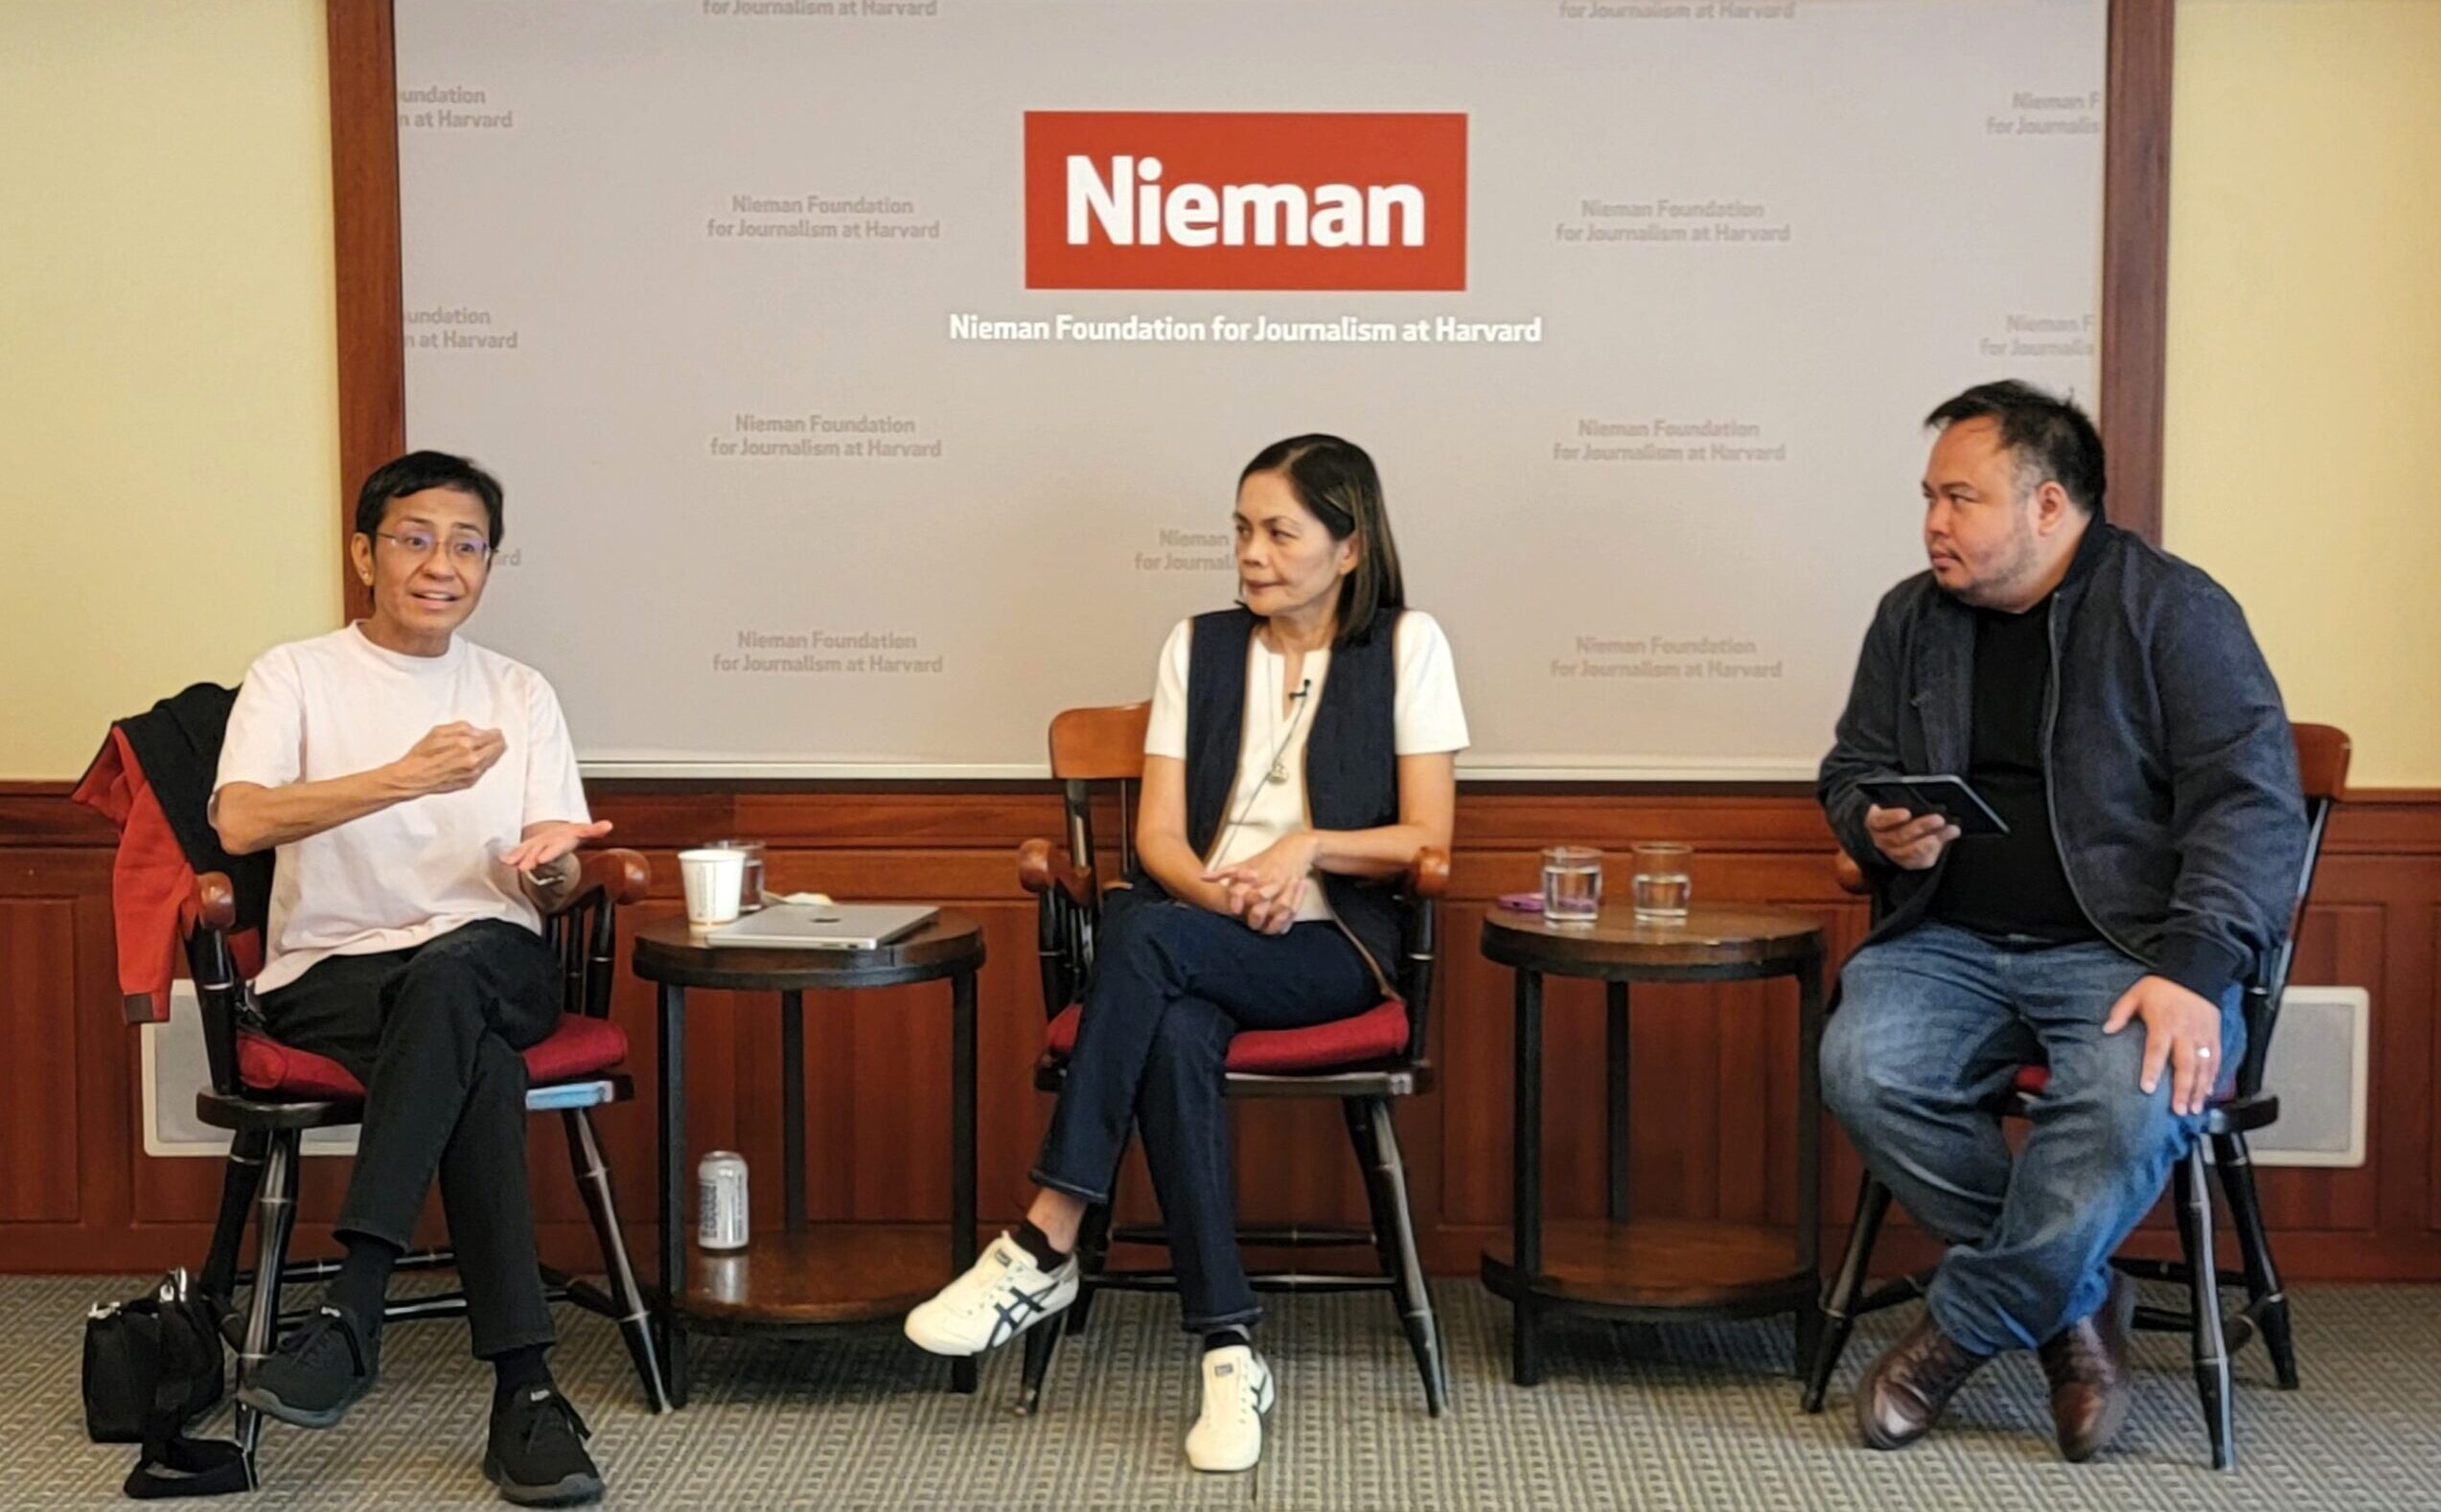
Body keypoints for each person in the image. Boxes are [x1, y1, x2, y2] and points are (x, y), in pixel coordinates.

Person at [903, 435, 1467, 1472]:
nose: (1251, 554)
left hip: (1335, 946)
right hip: (1199, 935)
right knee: (1169, 1014)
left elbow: (1428, 838)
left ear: (1349, 547)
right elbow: (1161, 837)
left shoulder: (1405, 645)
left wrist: (1307, 851)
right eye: (1242, 530)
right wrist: (1228, 896)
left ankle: (1044, 1236)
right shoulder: (1197, 647)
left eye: (1279, 531)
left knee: (1139, 935)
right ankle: (1228, 1349)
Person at [1817, 381, 2306, 1461]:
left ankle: (1956, 1334)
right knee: (1863, 1066)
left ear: (2048, 506)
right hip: (1948, 938)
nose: (1934, 522)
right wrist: (1876, 827)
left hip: (2130, 952)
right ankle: (2079, 1303)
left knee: (2128, 1107)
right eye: (1929, 497)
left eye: (1961, 497)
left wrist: (2194, 967)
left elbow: (2252, 806)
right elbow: (1850, 768)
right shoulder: (1912, 617)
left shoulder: (2173, 610)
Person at [213, 451, 612, 1506]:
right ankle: (526, 1393)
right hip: (335, 973)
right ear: (364, 552)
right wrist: (406, 778)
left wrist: (557, 867)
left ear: (489, 563)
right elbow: (242, 819)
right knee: (470, 1056)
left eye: (469, 545)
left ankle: (353, 1308)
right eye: (416, 538)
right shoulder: (293, 675)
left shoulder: (518, 690)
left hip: (496, 956)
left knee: (457, 979)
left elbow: (557, 873)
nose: (444, 564)